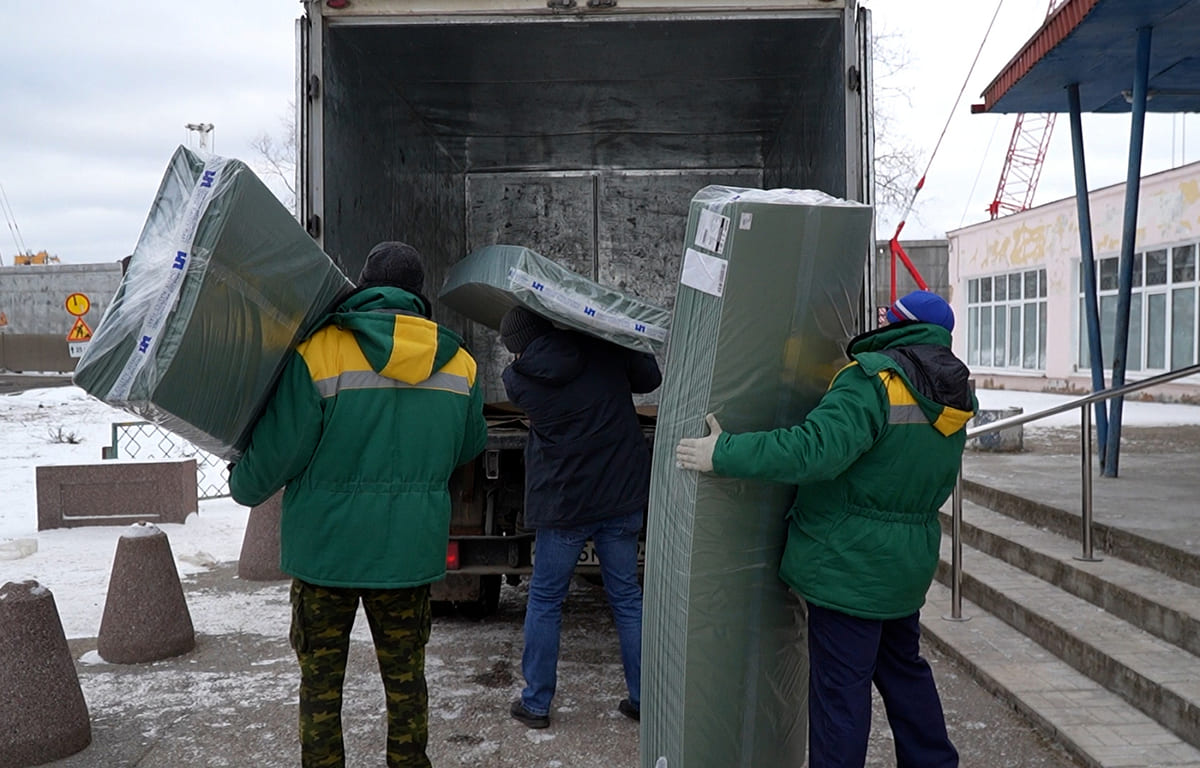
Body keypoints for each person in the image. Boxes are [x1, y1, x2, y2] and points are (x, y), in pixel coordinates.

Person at [675, 289, 975, 768]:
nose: (880, 315)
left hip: (847, 567)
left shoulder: (872, 381)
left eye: (888, 312)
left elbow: (814, 450)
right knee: (904, 673)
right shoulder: (956, 392)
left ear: (898, 323)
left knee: (840, 695)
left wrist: (725, 452)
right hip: (903, 565)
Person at [229, 241, 488, 768]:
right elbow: (468, 446)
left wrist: (243, 484)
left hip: (326, 557)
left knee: (321, 689)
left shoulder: (320, 350)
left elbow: (281, 449)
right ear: (418, 295)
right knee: (406, 681)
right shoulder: (460, 364)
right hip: (408, 555)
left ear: (364, 287)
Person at [498, 306, 662, 729]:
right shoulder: (601, 348)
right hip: (619, 496)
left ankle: (536, 704)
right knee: (626, 598)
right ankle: (645, 699)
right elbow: (650, 379)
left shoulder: (517, 381)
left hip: (565, 503)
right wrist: (615, 332)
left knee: (547, 599)